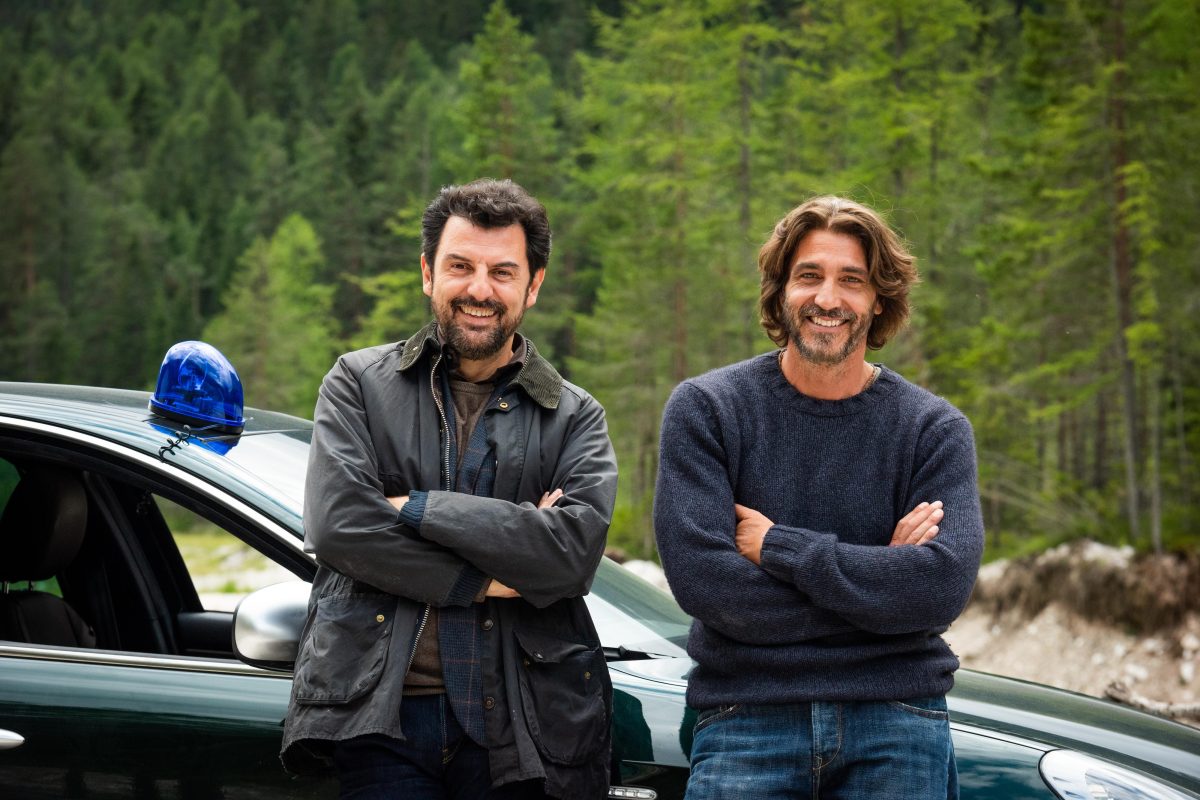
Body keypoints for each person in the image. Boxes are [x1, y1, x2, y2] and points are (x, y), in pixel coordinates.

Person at [282, 178, 618, 800]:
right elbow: (340, 528)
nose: (479, 289)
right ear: (427, 273)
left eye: (502, 272)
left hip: (524, 726)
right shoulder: (358, 383)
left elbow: (570, 556)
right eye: (460, 266)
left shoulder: (574, 416)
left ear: (533, 285)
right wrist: (489, 575)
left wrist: (416, 507)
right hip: (379, 723)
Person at [654, 195, 984, 799]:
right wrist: (881, 587)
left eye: (851, 280)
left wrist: (780, 548)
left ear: (879, 299)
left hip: (898, 721)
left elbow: (939, 589)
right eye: (809, 276)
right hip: (747, 719)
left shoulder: (933, 429)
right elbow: (707, 587)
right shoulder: (708, 410)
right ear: (781, 291)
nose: (827, 299)